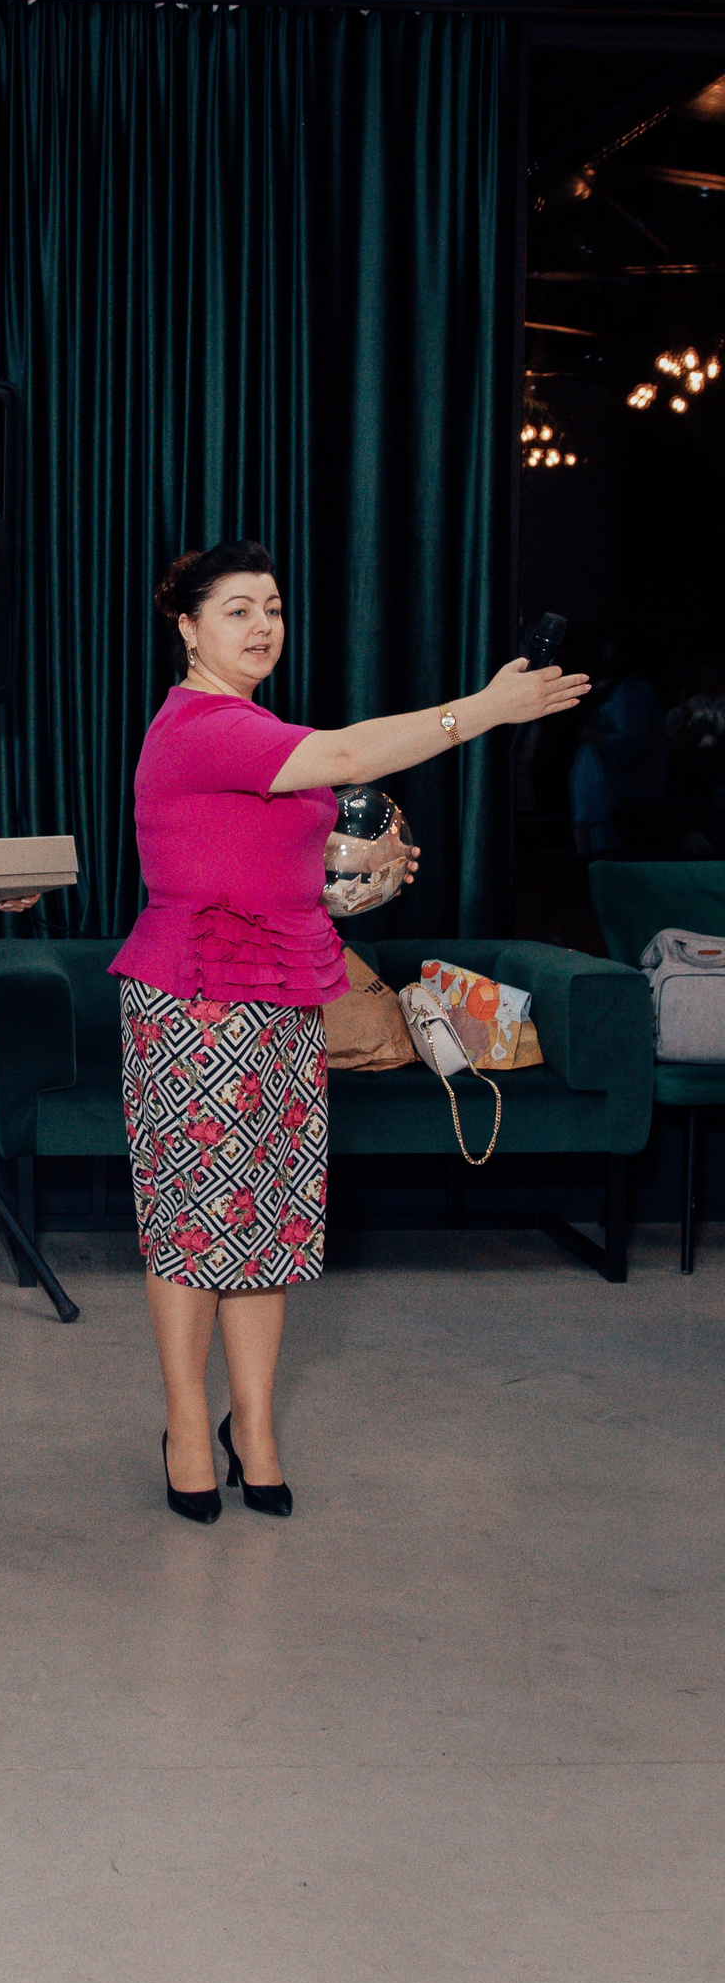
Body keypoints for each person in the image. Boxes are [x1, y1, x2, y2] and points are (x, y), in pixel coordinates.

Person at [111, 541, 590, 1526]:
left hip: (287, 994)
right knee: (194, 1220)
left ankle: (256, 1429)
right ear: (187, 628)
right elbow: (343, 756)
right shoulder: (198, 723)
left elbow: (276, 856)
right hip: (195, 1000)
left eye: (273, 607)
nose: (263, 626)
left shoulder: (255, 729)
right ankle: (187, 1424)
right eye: (238, 609)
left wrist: (357, 875)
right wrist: (485, 709)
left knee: (273, 1219)